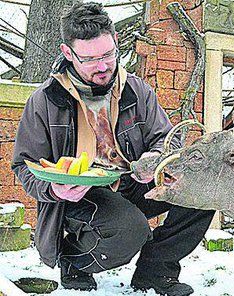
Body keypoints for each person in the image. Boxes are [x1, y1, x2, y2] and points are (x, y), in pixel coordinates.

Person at [11, 2, 214, 295]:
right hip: (78, 194)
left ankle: (155, 272)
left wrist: (155, 160)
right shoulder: (44, 101)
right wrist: (55, 190)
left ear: (116, 42)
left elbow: (166, 139)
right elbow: (24, 165)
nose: (103, 66)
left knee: (203, 190)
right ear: (68, 53)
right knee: (130, 230)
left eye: (107, 54)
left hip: (131, 181)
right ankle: (75, 261)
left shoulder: (137, 89)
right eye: (90, 59)